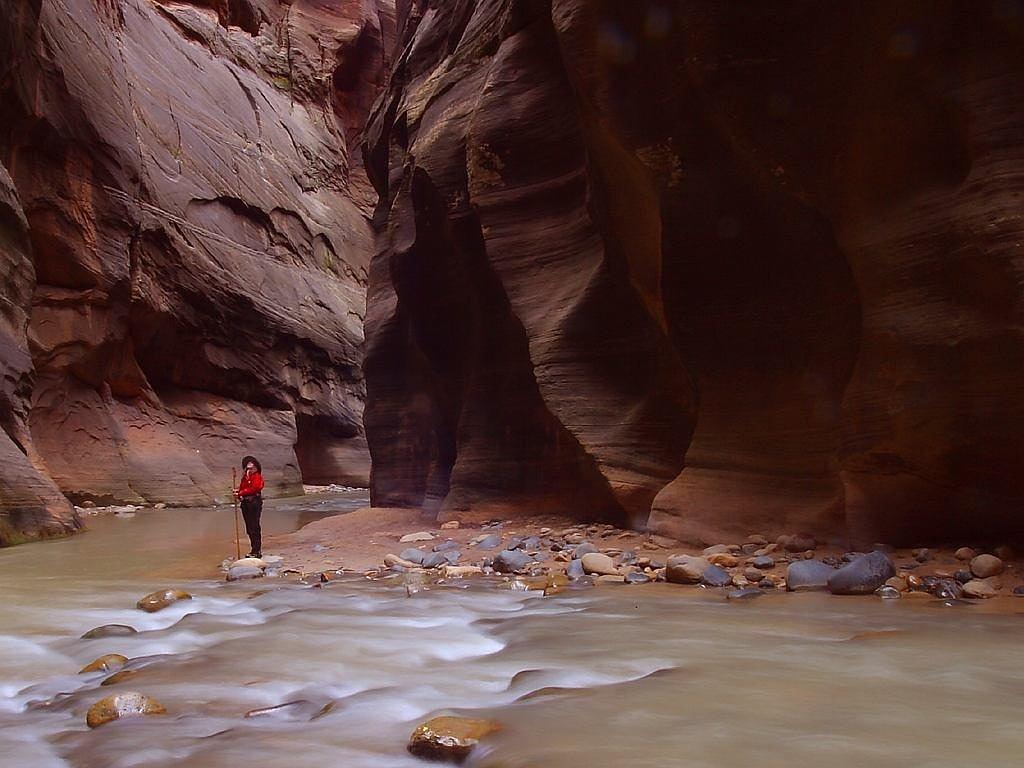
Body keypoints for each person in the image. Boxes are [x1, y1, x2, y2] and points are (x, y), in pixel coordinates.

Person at [235, 455, 265, 558]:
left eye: (251, 468)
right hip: (246, 504)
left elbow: (255, 488)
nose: (249, 470)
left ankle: (257, 550)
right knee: (249, 527)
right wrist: (238, 493)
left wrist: (241, 493)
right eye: (248, 468)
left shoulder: (257, 477)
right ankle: (253, 549)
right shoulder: (245, 477)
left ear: (256, 468)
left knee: (254, 526)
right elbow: (243, 488)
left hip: (254, 503)